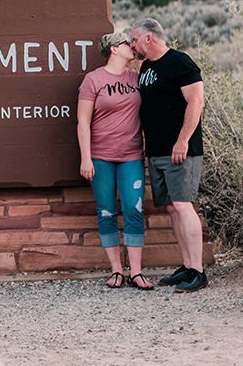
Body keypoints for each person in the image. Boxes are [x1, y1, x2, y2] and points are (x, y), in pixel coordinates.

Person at [130, 17, 208, 292]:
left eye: (135, 39)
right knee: (171, 207)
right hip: (157, 149)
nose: (133, 45)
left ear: (148, 38)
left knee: (183, 204)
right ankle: (187, 265)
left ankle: (198, 271)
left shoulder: (180, 62)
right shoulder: (147, 68)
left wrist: (183, 140)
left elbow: (196, 102)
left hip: (180, 149)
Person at [77, 31, 153, 290]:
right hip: (100, 157)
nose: (131, 46)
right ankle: (116, 270)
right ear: (114, 49)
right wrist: (85, 158)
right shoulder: (93, 80)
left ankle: (137, 271)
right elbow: (82, 122)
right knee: (107, 210)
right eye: (125, 43)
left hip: (131, 155)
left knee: (134, 209)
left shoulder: (136, 77)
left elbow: (146, 54)